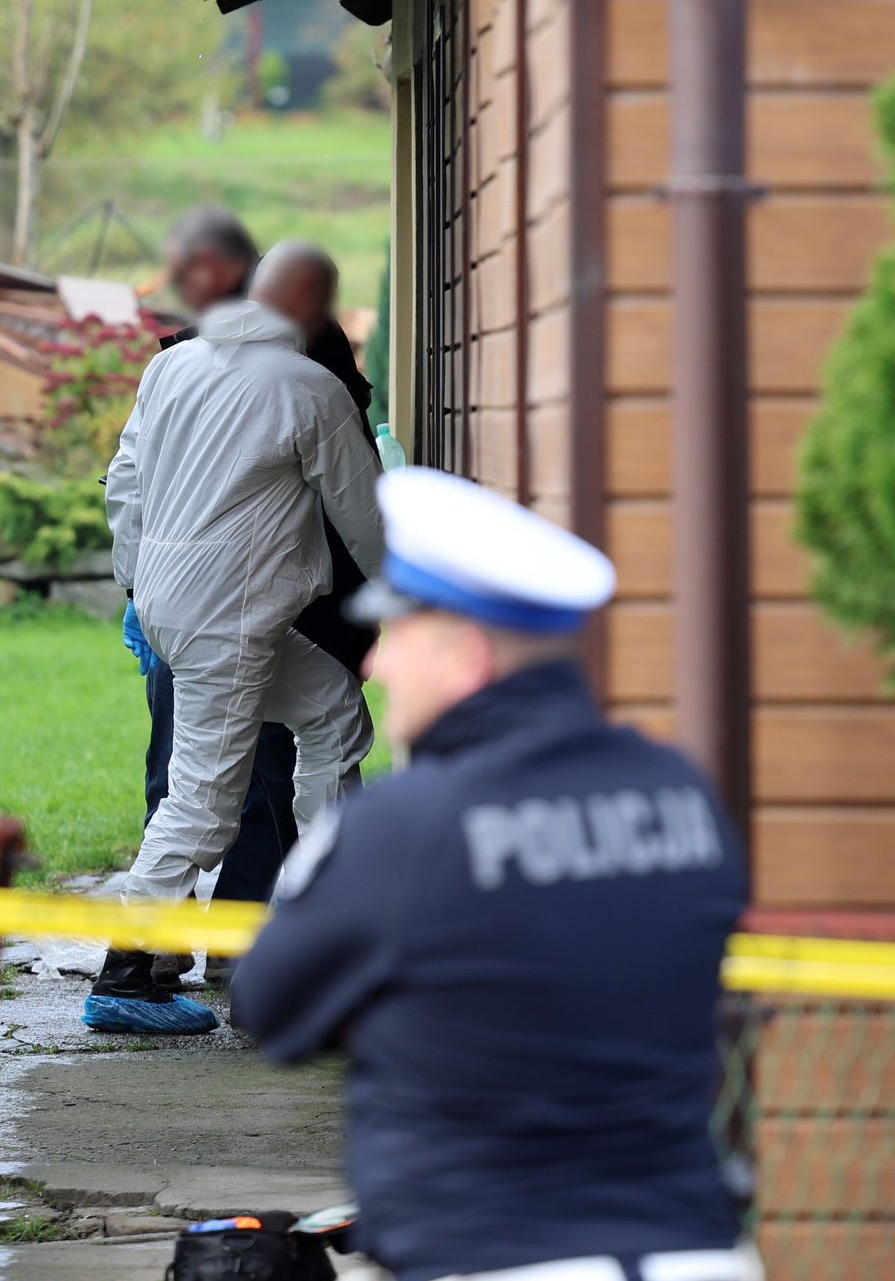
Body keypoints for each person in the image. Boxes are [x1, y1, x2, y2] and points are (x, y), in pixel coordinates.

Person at [232, 467, 755, 1281]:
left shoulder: (403, 828)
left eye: (397, 635)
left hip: (491, 1255)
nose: (374, 664)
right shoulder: (681, 793)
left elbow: (268, 1003)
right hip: (699, 1253)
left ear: (469, 655)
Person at [90, 242, 384, 1035]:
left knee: (332, 714)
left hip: (179, 604)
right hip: (235, 619)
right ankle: (125, 976)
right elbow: (364, 516)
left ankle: (316, 922)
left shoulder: (172, 366)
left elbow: (125, 482)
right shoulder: (309, 388)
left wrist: (137, 584)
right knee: (204, 803)